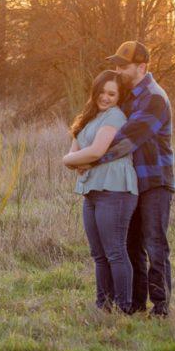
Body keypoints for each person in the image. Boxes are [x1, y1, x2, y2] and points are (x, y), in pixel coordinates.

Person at [88, 41, 175, 317]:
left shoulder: (154, 97)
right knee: (131, 243)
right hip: (130, 182)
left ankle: (161, 308)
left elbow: (126, 141)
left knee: (154, 243)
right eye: (116, 65)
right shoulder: (126, 95)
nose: (118, 70)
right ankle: (136, 305)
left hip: (154, 182)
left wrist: (90, 159)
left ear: (141, 67)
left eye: (122, 66)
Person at [63, 70, 138, 313]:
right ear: (94, 92)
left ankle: (123, 308)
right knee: (99, 254)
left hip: (115, 189)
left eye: (111, 94)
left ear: (119, 97)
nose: (105, 97)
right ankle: (103, 306)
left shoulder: (115, 117)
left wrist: (68, 159)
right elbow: (76, 150)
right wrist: (73, 159)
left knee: (115, 251)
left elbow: (94, 152)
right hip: (93, 190)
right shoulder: (90, 117)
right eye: (102, 92)